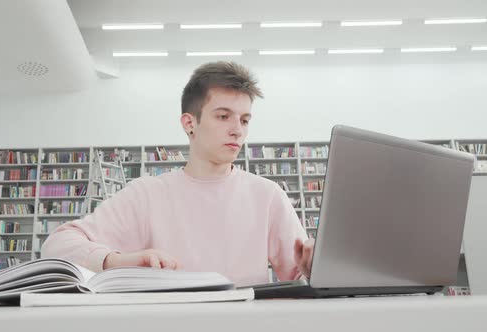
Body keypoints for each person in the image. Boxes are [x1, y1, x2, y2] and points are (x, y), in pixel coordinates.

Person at [41, 61, 314, 286]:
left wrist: (315, 269)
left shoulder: (267, 195)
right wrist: (117, 261)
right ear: (189, 123)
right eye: (223, 116)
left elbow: (302, 278)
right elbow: (57, 245)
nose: (237, 130)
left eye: (244, 120)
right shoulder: (147, 194)